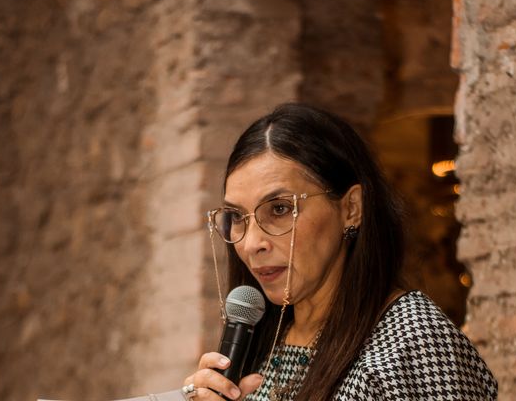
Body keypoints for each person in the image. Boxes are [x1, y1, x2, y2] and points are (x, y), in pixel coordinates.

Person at [183, 103, 498, 400]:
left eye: (279, 209)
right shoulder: (264, 339)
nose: (252, 243)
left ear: (351, 208)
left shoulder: (414, 341)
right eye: (237, 217)